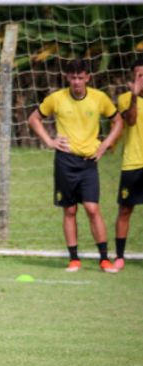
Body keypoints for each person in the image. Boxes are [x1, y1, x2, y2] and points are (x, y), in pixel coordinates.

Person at [28, 58, 123, 273]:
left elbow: (118, 121)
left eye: (81, 77)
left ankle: (104, 259)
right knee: (69, 210)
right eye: (73, 78)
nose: (77, 82)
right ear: (67, 78)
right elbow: (34, 119)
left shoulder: (100, 99)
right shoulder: (56, 99)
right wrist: (50, 141)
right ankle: (74, 259)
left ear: (88, 77)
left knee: (92, 208)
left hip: (89, 162)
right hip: (65, 161)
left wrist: (106, 144)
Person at [113, 57, 143, 270]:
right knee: (125, 210)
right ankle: (120, 257)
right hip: (132, 164)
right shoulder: (126, 98)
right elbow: (130, 120)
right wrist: (135, 94)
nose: (141, 79)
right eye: (138, 75)